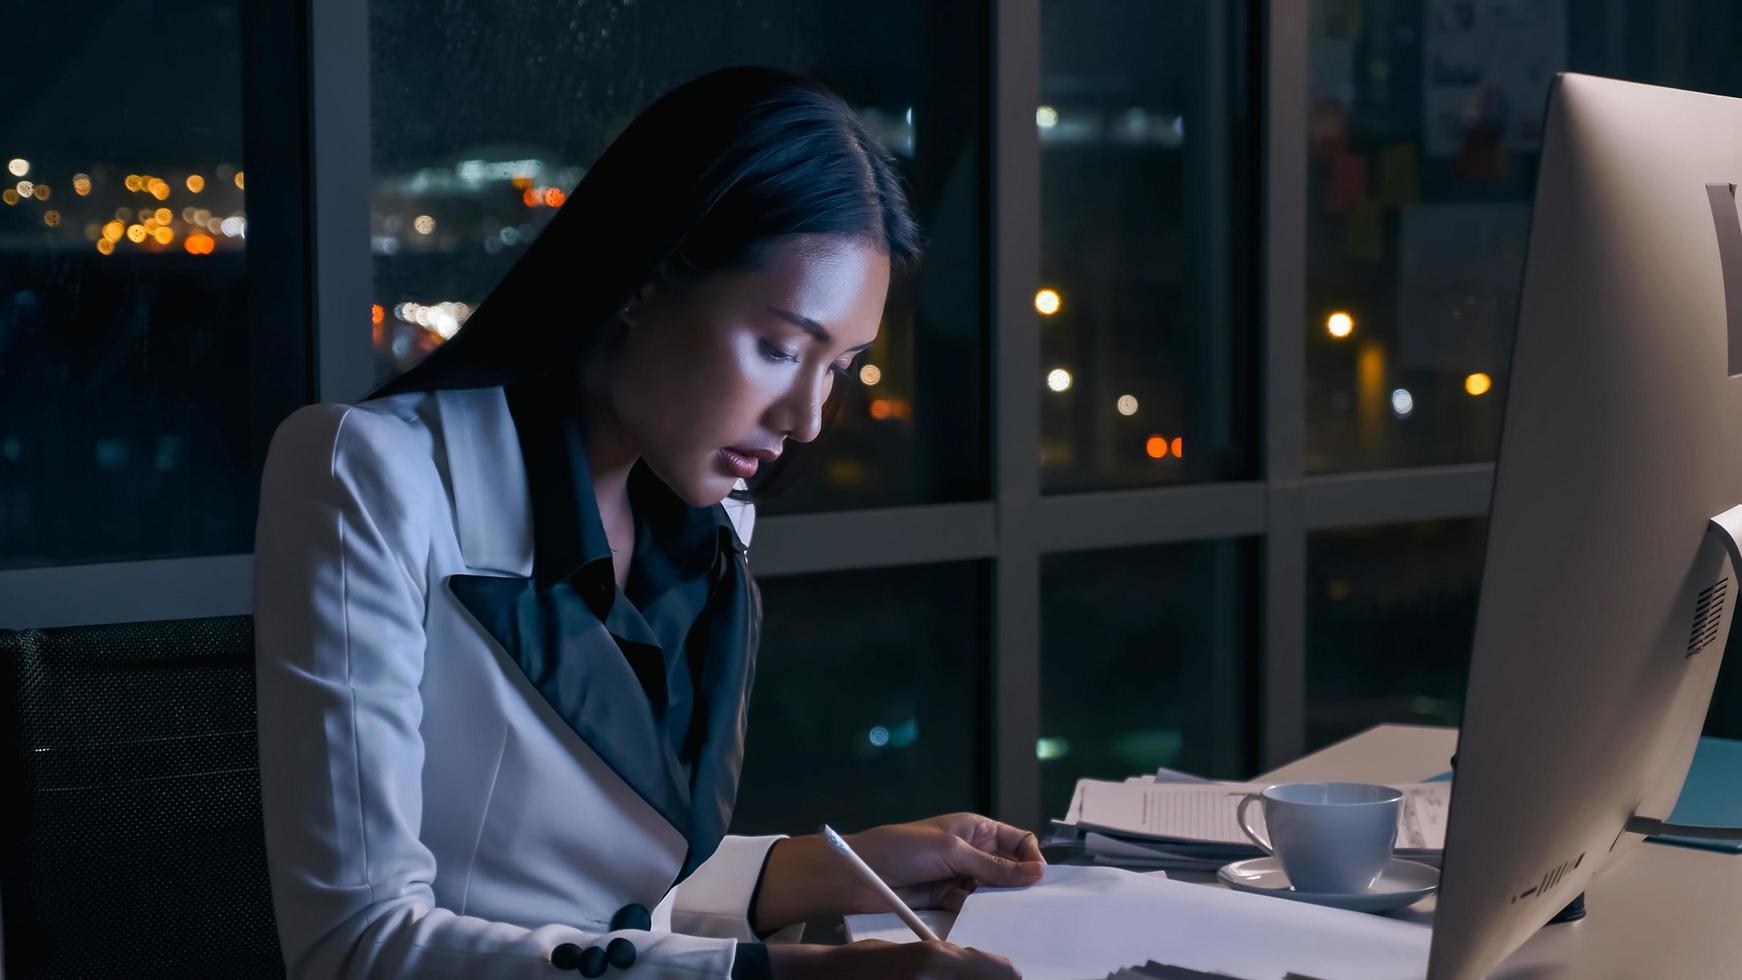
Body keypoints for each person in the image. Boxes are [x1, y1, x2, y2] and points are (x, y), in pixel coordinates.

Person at [252, 66, 1042, 980]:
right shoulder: (372, 471)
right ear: (643, 281)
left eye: (841, 368)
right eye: (782, 348)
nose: (809, 419)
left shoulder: (705, 525)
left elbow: (620, 901)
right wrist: (797, 977)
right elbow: (358, 946)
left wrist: (849, 866)